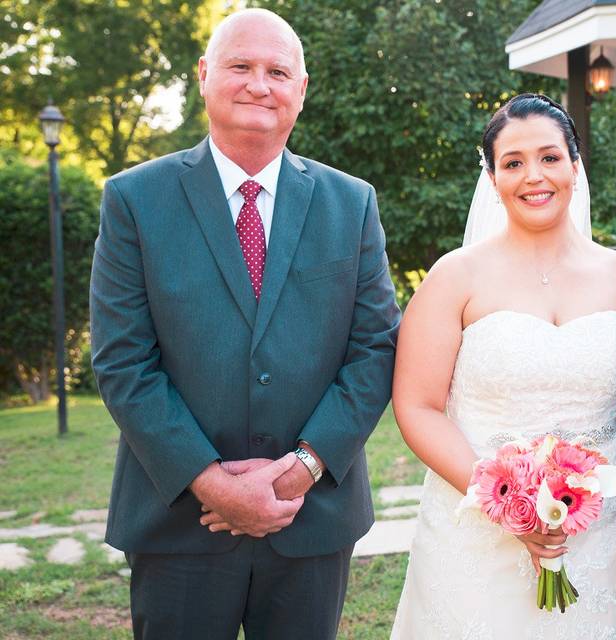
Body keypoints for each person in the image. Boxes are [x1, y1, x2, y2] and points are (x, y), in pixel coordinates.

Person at [89, 9, 400, 639]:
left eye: (278, 71)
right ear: (204, 76)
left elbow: (375, 349)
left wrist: (296, 473)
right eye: (240, 67)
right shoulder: (134, 200)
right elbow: (123, 361)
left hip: (310, 518)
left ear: (301, 91)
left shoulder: (352, 203)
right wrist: (211, 483)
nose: (260, 84)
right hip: (179, 521)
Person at [389, 93, 616, 639]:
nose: (534, 176)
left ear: (575, 167)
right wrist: (508, 504)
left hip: (602, 531)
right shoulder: (454, 277)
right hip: (477, 529)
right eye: (513, 162)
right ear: (492, 178)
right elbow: (417, 406)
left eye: (550, 157)